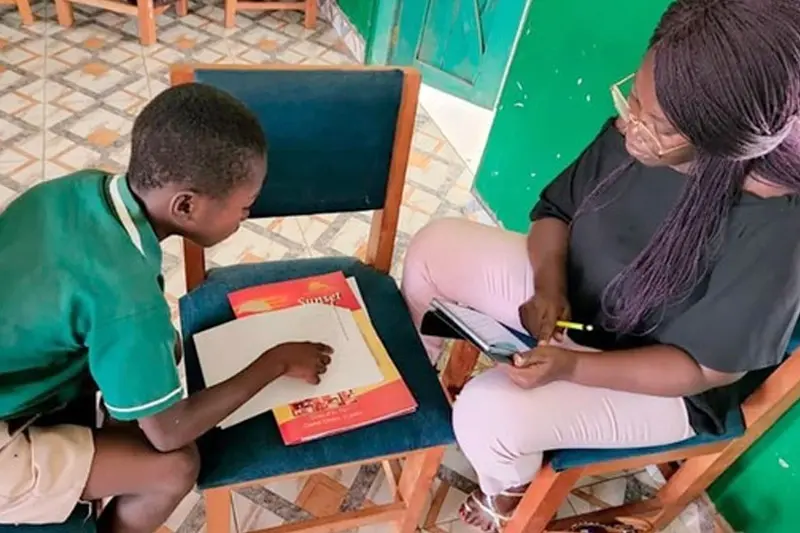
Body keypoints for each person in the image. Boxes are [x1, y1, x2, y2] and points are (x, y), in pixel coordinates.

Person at [401, 0, 800, 530]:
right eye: (633, 99)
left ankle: (507, 495)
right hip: (581, 309)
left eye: (656, 124)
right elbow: (556, 212)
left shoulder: (776, 225)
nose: (631, 127)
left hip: (665, 384)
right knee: (436, 246)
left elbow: (702, 370)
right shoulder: (642, 127)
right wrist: (548, 283)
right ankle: (407, 388)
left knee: (487, 413)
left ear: (722, 140)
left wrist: (572, 367)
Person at [0, 83, 333, 533]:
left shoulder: (78, 190)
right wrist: (275, 361)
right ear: (186, 206)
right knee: (176, 466)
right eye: (243, 207)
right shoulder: (127, 299)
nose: (245, 218)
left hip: (18, 375)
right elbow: (170, 431)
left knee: (161, 362)